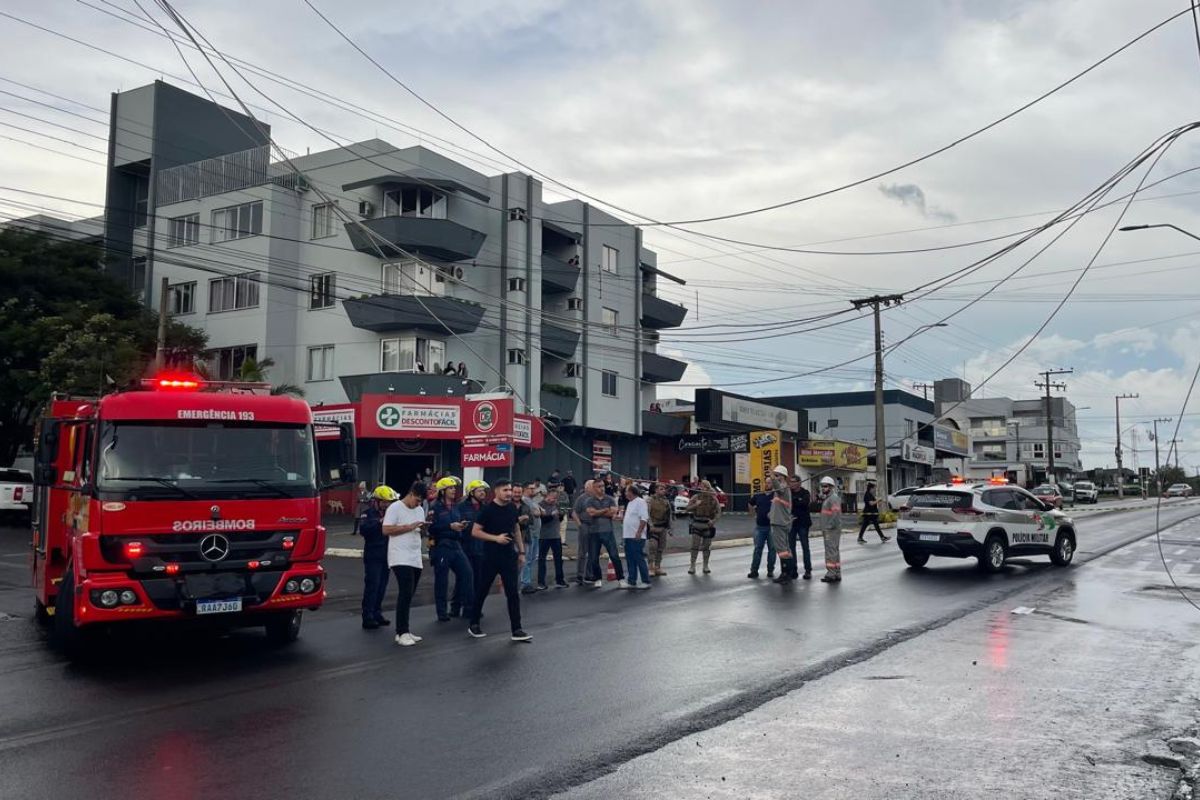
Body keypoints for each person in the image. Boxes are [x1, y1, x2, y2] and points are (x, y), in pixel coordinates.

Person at [467, 480, 532, 642]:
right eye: (505, 490)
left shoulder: (511, 508)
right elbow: (475, 532)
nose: (509, 493)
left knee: (512, 593)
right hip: (490, 556)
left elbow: (516, 529)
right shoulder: (487, 510)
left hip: (509, 556)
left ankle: (517, 629)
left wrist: (521, 552)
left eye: (510, 490)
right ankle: (474, 624)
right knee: (482, 590)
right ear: (496, 492)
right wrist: (495, 538)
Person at [382, 481, 429, 647]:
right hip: (399, 556)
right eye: (416, 500)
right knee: (405, 592)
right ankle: (401, 632)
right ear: (411, 493)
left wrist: (423, 528)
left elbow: (421, 533)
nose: (417, 504)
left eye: (420, 502)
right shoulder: (395, 508)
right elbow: (386, 530)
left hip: (415, 556)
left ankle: (405, 631)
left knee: (409, 594)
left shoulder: (420, 509)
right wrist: (410, 526)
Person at [428, 477, 474, 622]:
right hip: (442, 545)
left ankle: (463, 607)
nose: (454, 490)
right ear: (443, 491)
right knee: (442, 580)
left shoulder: (456, 507)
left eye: (454, 488)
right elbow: (430, 528)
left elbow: (456, 523)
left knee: (467, 573)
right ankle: (441, 612)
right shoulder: (435, 508)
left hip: (456, 544)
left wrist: (461, 525)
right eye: (451, 488)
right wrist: (449, 526)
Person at [358, 485, 396, 630]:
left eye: (389, 502)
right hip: (373, 555)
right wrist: (379, 522)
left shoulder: (391, 514)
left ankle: (377, 613)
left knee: (382, 586)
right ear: (377, 501)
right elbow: (364, 530)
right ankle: (367, 616)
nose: (387, 505)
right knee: (372, 586)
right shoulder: (367, 514)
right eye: (385, 502)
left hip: (387, 555)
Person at [585, 479, 627, 588]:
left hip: (608, 531)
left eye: (603, 486)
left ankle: (621, 578)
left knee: (614, 556)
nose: (602, 488)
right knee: (594, 557)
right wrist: (605, 510)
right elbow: (591, 513)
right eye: (599, 486)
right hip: (593, 532)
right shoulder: (589, 501)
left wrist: (598, 511)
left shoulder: (610, 499)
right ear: (594, 488)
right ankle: (598, 578)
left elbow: (613, 512)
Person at [458, 479, 489, 592]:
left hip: (481, 550)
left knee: (479, 580)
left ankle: (475, 608)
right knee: (465, 579)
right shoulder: (461, 507)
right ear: (471, 493)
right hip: (465, 548)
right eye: (479, 491)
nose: (483, 493)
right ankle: (458, 606)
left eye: (484, 491)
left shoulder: (486, 508)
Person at [686, 480, 721, 575]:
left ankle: (705, 565)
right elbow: (687, 508)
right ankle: (692, 565)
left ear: (707, 487)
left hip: (707, 525)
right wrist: (695, 504)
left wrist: (713, 521)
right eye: (701, 486)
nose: (702, 488)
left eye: (704, 486)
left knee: (706, 547)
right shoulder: (696, 497)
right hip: (697, 524)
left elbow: (718, 512)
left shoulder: (713, 499)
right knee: (695, 546)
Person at [769, 465, 796, 584]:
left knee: (782, 550)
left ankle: (786, 573)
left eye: (777, 475)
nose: (775, 477)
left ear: (782, 476)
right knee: (786, 549)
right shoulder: (783, 489)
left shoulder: (783, 487)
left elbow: (778, 488)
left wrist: (772, 477)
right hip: (781, 521)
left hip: (779, 522)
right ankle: (791, 572)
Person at [623, 484, 651, 588]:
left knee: (638, 557)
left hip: (636, 536)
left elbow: (644, 518)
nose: (625, 493)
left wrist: (639, 532)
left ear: (631, 492)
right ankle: (632, 580)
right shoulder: (630, 503)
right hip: (628, 535)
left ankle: (646, 581)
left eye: (626, 491)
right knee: (630, 558)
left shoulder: (640, 502)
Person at [538, 490, 567, 589]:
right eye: (553, 498)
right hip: (544, 536)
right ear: (548, 496)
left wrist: (561, 515)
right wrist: (552, 515)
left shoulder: (557, 505)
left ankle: (560, 580)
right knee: (542, 559)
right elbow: (542, 520)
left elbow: (559, 518)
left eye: (556, 499)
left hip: (556, 535)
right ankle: (541, 582)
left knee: (558, 559)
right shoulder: (540, 505)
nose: (554, 501)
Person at [748, 485, 777, 579]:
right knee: (757, 549)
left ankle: (770, 570)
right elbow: (750, 503)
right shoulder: (758, 495)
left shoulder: (776, 495)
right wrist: (752, 514)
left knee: (772, 549)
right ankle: (754, 571)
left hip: (772, 527)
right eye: (766, 482)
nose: (767, 484)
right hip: (760, 527)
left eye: (770, 482)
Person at [788, 475, 814, 580]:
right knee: (791, 548)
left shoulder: (805, 493)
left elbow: (803, 503)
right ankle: (793, 570)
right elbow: (787, 504)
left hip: (803, 524)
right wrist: (795, 500)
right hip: (791, 524)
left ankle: (808, 570)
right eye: (790, 482)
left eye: (794, 482)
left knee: (805, 547)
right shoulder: (788, 493)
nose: (792, 484)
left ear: (799, 482)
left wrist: (794, 501)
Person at [819, 476, 844, 583]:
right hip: (831, 529)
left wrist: (829, 527)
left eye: (825, 486)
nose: (823, 488)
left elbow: (835, 514)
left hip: (831, 530)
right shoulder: (829, 498)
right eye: (822, 486)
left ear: (831, 487)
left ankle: (831, 573)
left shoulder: (833, 498)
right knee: (834, 551)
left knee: (830, 551)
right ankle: (836, 572)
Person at [518, 482, 542, 594]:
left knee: (532, 559)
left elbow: (541, 511)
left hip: (536, 533)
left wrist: (539, 511)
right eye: (531, 489)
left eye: (534, 488)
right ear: (525, 489)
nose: (534, 491)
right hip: (529, 534)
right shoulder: (525, 501)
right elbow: (536, 513)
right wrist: (538, 512)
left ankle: (527, 582)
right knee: (527, 559)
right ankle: (525, 583)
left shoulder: (533, 501)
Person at [646, 482, 673, 577]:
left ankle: (657, 567)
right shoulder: (650, 500)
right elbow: (647, 514)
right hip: (654, 527)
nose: (663, 491)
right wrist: (650, 526)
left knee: (661, 548)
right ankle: (650, 567)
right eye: (661, 489)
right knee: (652, 547)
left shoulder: (666, 501)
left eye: (664, 489)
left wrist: (670, 528)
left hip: (663, 527)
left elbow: (669, 515)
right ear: (656, 490)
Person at [572, 479, 596, 586]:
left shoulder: (596, 498)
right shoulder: (581, 498)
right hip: (585, 525)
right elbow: (574, 513)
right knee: (583, 552)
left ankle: (589, 574)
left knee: (593, 552)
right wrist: (580, 525)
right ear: (587, 487)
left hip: (594, 527)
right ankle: (580, 575)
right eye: (592, 486)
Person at [858, 480, 891, 544]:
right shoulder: (867, 494)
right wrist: (878, 500)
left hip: (871, 513)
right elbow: (871, 503)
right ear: (871, 488)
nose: (875, 489)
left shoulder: (870, 494)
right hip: (869, 513)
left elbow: (874, 503)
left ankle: (860, 538)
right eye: (874, 488)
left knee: (867, 525)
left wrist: (879, 502)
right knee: (872, 525)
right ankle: (882, 537)